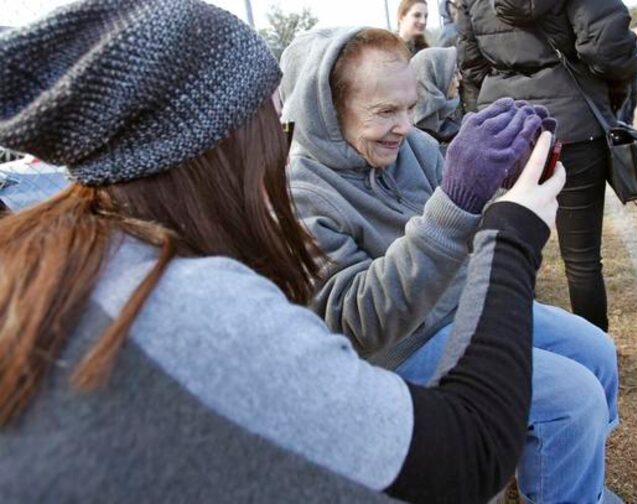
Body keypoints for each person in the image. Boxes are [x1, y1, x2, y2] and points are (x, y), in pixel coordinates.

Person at [0, 1, 572, 502]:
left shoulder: (57, 256)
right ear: (218, 139)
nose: (282, 133)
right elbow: (465, 454)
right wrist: (510, 228)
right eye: (267, 113)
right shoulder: (202, 304)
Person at [281, 27, 621, 504]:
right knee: (572, 400)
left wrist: (510, 175)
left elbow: (472, 224)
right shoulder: (301, 193)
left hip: (457, 306)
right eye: (384, 111)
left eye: (410, 106)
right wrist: (456, 204)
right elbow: (352, 322)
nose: (405, 124)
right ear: (327, 110)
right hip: (394, 348)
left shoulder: (413, 147)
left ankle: (559, 474)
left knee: (597, 352)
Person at [456, 0, 637, 333]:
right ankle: (593, 350)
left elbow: (471, 66)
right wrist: (611, 96)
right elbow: (609, 49)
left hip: (509, 124)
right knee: (581, 259)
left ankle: (522, 349)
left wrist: (488, 118)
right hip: (572, 123)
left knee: (510, 250)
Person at [410, 47, 462, 149]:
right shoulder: (410, 134)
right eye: (453, 74)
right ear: (433, 79)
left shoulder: (459, 120)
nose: (460, 77)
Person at [619, 20, 637, 126]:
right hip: (626, 77)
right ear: (633, 28)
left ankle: (630, 125)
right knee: (624, 105)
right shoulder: (625, 42)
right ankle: (622, 126)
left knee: (632, 104)